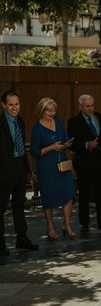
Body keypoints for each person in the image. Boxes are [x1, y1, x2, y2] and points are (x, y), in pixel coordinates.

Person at [68, 94, 101, 234]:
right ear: (80, 107)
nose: (90, 109)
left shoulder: (99, 117)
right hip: (84, 162)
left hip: (100, 160)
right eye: (87, 106)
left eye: (92, 105)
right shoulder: (73, 122)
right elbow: (72, 144)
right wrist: (87, 144)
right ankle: (84, 224)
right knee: (84, 193)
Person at [30, 97, 75, 242]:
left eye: (54, 110)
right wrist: (51, 148)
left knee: (69, 194)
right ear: (41, 111)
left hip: (62, 165)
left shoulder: (58, 122)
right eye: (49, 110)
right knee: (48, 198)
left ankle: (67, 224)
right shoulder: (37, 128)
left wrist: (66, 144)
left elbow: (65, 139)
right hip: (47, 168)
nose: (52, 113)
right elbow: (35, 152)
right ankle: (50, 227)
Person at [0, 90, 38, 254]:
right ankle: (0, 243)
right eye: (11, 104)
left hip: (20, 168)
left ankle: (21, 238)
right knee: (1, 207)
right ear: (3, 105)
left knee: (19, 205)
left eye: (17, 104)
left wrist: (28, 170)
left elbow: (22, 145)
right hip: (3, 170)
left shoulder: (20, 121)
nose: (14, 108)